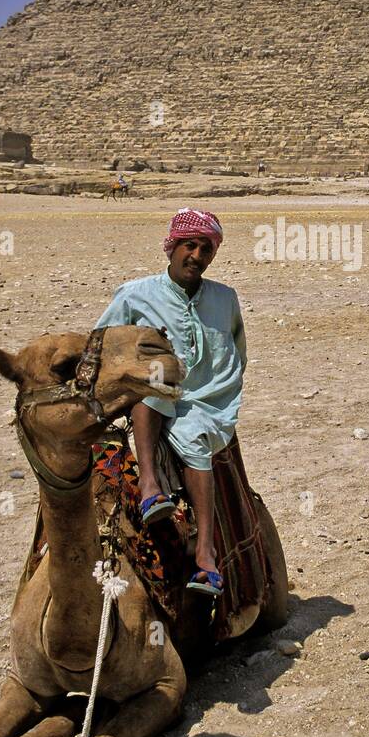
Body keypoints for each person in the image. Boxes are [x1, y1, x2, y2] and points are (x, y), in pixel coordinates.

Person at [95, 208, 247, 597]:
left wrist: (211, 389)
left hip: (207, 401)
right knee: (154, 380)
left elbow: (236, 354)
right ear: (172, 247)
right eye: (189, 246)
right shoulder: (135, 294)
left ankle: (206, 553)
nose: (196, 255)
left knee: (193, 433)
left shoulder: (224, 299)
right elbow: (101, 345)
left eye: (205, 248)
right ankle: (149, 485)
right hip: (152, 395)